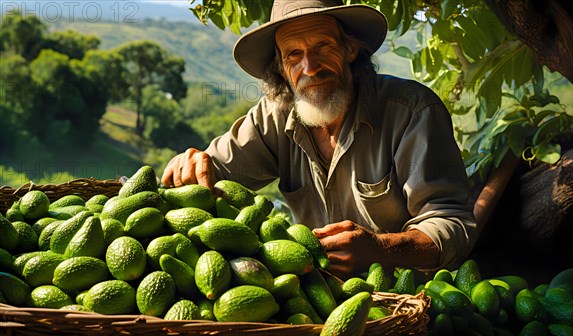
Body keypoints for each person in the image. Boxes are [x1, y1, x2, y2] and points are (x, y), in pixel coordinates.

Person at [162, 0, 478, 279]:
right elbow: (214, 168)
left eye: (323, 47)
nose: (309, 67)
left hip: (406, 305)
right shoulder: (275, 115)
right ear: (281, 68)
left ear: (350, 49)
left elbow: (453, 226)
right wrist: (194, 163)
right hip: (318, 301)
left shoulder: (411, 112)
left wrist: (380, 249)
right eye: (294, 55)